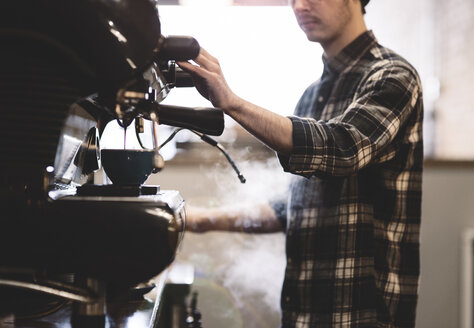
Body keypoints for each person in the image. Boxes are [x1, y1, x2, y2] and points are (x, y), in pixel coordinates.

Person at [178, 0, 423, 326]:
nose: (299, 6)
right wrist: (200, 220)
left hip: (361, 315)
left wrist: (232, 102)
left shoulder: (393, 76)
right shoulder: (310, 96)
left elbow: (343, 148)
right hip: (305, 314)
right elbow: (292, 208)